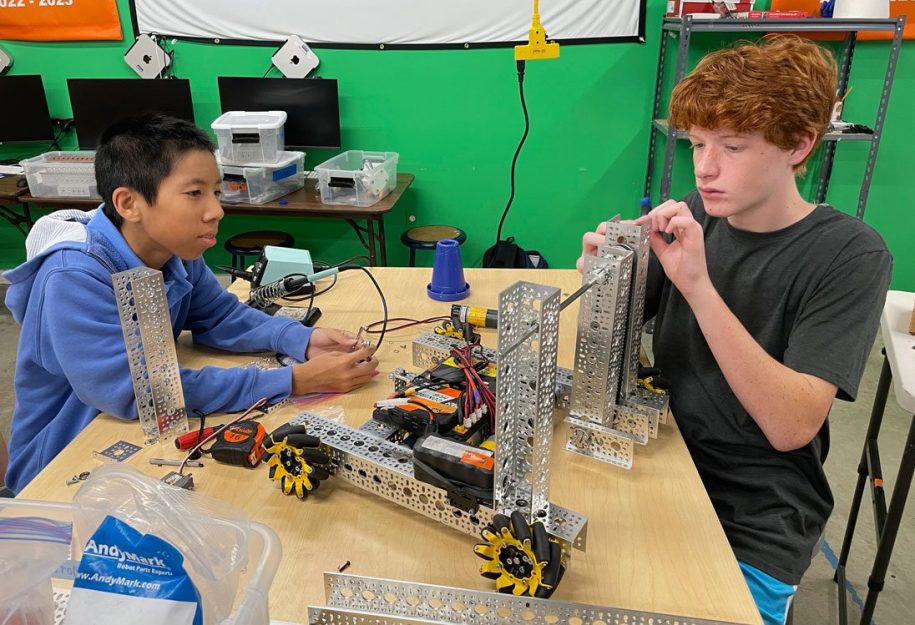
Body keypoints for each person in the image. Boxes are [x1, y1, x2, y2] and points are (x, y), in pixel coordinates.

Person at [579, 36, 891, 625]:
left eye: (734, 147)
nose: (705, 167)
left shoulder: (849, 254)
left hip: (755, 512)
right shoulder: (694, 216)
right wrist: (607, 272)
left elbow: (792, 424)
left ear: (799, 146)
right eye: (697, 144)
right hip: (661, 462)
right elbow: (610, 332)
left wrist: (698, 287)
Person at [3, 114, 378, 493]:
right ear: (129, 203)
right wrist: (292, 380)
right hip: (59, 466)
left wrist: (300, 340)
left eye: (216, 191)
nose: (216, 210)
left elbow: (218, 316)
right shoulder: (74, 275)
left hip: (132, 441)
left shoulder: (174, 250)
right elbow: (139, 393)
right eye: (194, 193)